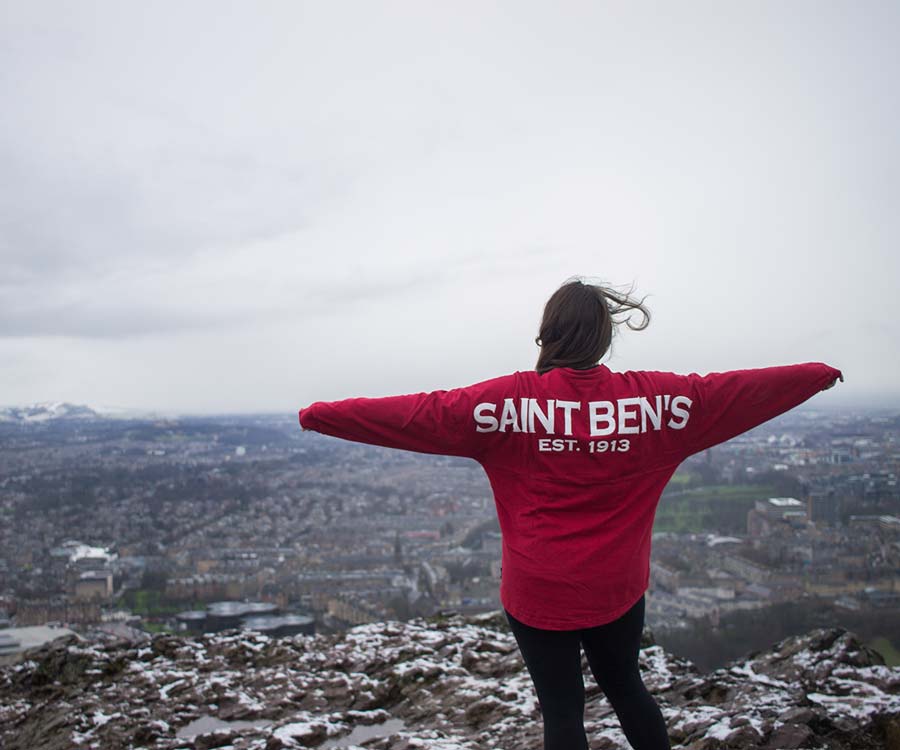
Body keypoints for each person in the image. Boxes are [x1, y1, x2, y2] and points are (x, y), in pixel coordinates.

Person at [298, 276, 843, 750]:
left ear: (548, 334)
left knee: (562, 711)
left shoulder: (503, 403)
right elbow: (736, 392)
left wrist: (321, 416)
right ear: (605, 336)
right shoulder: (660, 403)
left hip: (538, 593)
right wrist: (813, 373)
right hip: (616, 588)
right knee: (626, 686)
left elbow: (416, 414)